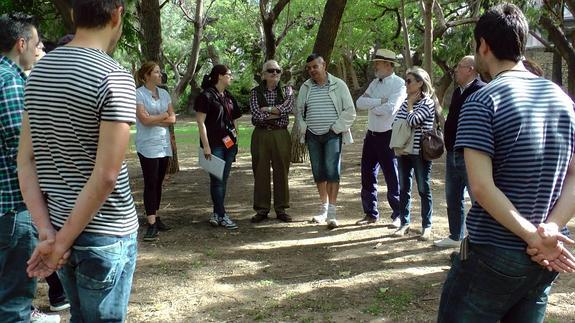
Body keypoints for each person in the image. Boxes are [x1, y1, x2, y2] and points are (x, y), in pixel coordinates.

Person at [437, 4, 575, 322]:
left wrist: (532, 235)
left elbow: (482, 188)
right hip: (544, 260)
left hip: (495, 254)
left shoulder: (483, 100)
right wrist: (550, 229)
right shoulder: (562, 99)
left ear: (483, 46)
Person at [18, 1, 139, 322]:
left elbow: (25, 162)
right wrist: (59, 244)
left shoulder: (39, 72)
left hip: (58, 228)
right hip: (105, 235)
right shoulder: (114, 77)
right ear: (117, 14)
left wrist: (48, 232)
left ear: (74, 14)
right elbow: (106, 177)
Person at [0, 12, 50, 323]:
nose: (37, 50)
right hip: (13, 209)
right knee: (14, 303)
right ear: (22, 44)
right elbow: (25, 151)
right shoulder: (11, 83)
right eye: (36, 44)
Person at [294, 53, 356, 229]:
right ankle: (324, 208)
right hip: (312, 135)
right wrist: (304, 125)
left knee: (332, 171)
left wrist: (336, 127)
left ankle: (332, 212)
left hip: (332, 134)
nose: (312, 70)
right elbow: (298, 110)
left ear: (324, 65)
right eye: (309, 68)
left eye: (315, 66)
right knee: (318, 172)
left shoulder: (339, 85)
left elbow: (350, 111)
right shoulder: (306, 87)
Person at [433, 56, 485, 248]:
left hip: (471, 154)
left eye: (459, 67)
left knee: (476, 197)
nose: (455, 70)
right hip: (453, 151)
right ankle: (456, 235)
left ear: (470, 69)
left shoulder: (481, 90)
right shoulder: (457, 92)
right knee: (452, 195)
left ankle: (478, 240)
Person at [355, 49, 406, 227]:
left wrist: (375, 105)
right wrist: (379, 101)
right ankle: (370, 213)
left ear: (388, 65)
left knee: (392, 176)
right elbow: (359, 103)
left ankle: (399, 215)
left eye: (378, 62)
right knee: (367, 175)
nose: (375, 66)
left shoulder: (399, 84)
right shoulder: (375, 83)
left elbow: (392, 108)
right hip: (371, 136)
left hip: (388, 136)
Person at [392, 67, 438, 241]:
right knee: (404, 188)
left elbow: (412, 121)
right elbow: (397, 122)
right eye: (405, 80)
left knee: (423, 188)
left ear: (420, 83)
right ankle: (405, 223)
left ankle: (426, 226)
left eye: (409, 80)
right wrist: (409, 108)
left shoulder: (428, 102)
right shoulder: (405, 101)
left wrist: (410, 106)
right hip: (403, 150)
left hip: (420, 151)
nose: (406, 83)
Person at [195, 64, 242, 230]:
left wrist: (236, 139)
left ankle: (216, 213)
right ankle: (222, 215)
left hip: (229, 143)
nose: (231, 77)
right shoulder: (206, 96)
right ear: (220, 76)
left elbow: (235, 118)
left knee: (223, 179)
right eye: (229, 74)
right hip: (214, 145)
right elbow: (200, 122)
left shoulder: (228, 96)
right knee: (217, 180)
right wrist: (206, 146)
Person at [135, 61, 176, 241]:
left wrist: (155, 119)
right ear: (146, 75)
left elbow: (173, 118)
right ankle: (151, 223)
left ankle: (156, 215)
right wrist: (163, 117)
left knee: (159, 182)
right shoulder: (138, 94)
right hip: (147, 145)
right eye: (157, 72)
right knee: (150, 182)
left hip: (163, 144)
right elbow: (143, 120)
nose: (160, 74)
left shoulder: (165, 93)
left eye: (160, 72)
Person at [249, 60, 294, 223]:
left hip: (281, 134)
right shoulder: (255, 92)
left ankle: (281, 208)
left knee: (282, 170)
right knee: (260, 172)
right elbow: (255, 113)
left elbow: (288, 108)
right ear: (264, 74)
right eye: (270, 70)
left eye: (278, 71)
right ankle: (262, 209)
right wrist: (276, 112)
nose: (274, 73)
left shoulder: (287, 89)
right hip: (260, 135)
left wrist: (267, 110)